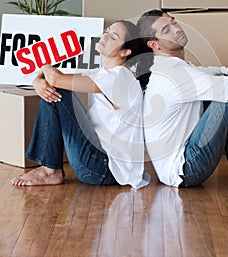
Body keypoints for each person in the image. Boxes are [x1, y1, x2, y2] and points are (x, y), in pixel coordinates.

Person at [137, 9, 228, 187]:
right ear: (154, 45)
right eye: (166, 30)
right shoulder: (173, 74)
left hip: (181, 162)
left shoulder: (170, 66)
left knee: (226, 85)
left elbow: (221, 71)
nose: (176, 29)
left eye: (173, 22)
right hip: (185, 169)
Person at [11, 20, 150, 189]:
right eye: (107, 31)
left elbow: (55, 79)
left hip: (103, 169)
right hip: (99, 165)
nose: (105, 36)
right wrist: (37, 80)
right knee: (57, 87)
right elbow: (55, 76)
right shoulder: (103, 73)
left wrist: (44, 70)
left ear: (125, 52)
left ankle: (50, 170)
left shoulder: (120, 78)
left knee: (58, 89)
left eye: (113, 37)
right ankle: (49, 169)